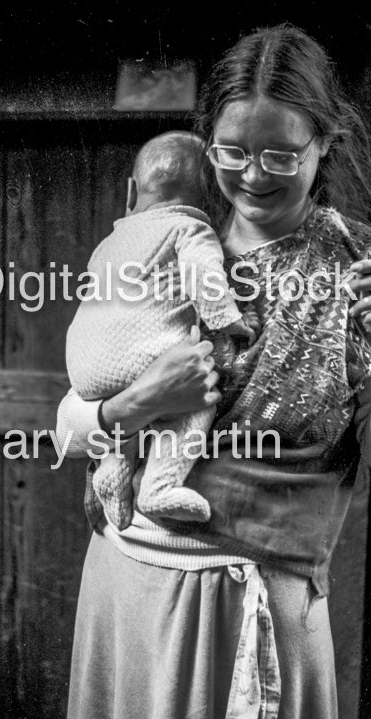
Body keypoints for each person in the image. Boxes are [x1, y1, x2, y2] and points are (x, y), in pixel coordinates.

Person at [56, 23, 371, 719]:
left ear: (323, 145)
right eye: (232, 152)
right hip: (130, 587)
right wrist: (132, 406)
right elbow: (70, 420)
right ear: (208, 146)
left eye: (280, 154)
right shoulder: (164, 239)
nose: (252, 175)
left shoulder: (362, 265)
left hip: (263, 604)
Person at [66, 130, 257, 529]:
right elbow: (205, 277)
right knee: (194, 399)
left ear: (131, 192)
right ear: (217, 202)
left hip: (84, 369)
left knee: (134, 397)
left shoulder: (109, 243)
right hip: (143, 361)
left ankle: (112, 473)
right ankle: (159, 485)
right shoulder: (190, 229)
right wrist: (230, 320)